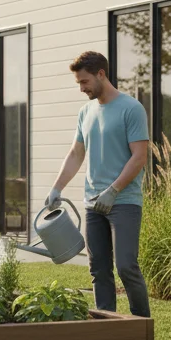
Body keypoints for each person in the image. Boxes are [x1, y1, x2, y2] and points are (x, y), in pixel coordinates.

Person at [44, 51, 151, 317]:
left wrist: (113, 190)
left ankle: (141, 326)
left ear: (101, 74)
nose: (82, 88)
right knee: (99, 268)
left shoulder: (131, 108)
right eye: (79, 83)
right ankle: (107, 326)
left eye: (84, 81)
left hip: (124, 201)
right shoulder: (85, 112)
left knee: (126, 266)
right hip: (93, 203)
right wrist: (57, 187)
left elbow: (140, 156)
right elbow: (76, 154)